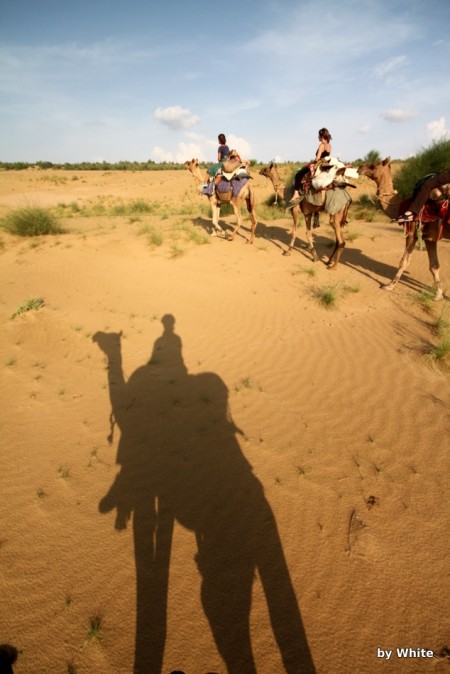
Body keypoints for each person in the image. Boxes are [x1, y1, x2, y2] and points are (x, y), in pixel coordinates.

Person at [289, 128, 332, 206]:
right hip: (323, 166)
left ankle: (296, 194)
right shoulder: (329, 146)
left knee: (298, 174)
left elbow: (317, 159)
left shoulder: (322, 145)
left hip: (318, 165)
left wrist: (309, 164)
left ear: (321, 136)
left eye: (318, 135)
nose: (317, 137)